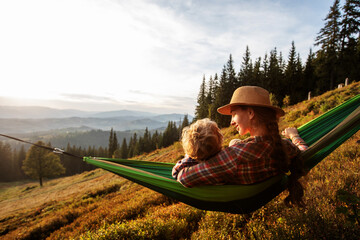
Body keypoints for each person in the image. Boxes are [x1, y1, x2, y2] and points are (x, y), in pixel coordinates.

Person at [172, 86, 308, 206]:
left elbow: (183, 176)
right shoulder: (284, 147)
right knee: (234, 141)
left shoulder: (232, 157)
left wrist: (191, 151)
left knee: (234, 143)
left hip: (240, 194)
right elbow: (304, 153)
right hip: (257, 181)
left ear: (250, 113)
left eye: (234, 114)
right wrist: (294, 136)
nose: (231, 122)